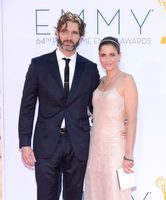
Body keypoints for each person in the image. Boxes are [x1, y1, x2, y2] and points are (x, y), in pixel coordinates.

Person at [18, 11, 100, 200]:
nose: (69, 37)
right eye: (65, 31)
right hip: (46, 143)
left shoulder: (90, 69)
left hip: (78, 144)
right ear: (57, 33)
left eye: (74, 32)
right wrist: (24, 143)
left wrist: (118, 123)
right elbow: (27, 106)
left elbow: (97, 106)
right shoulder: (38, 65)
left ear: (80, 36)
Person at [84, 36, 138, 200]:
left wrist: (128, 155)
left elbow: (133, 118)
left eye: (112, 55)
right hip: (95, 148)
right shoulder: (100, 82)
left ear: (119, 56)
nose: (107, 59)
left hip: (116, 148)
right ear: (99, 56)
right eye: (103, 55)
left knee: (115, 191)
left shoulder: (127, 80)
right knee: (95, 190)